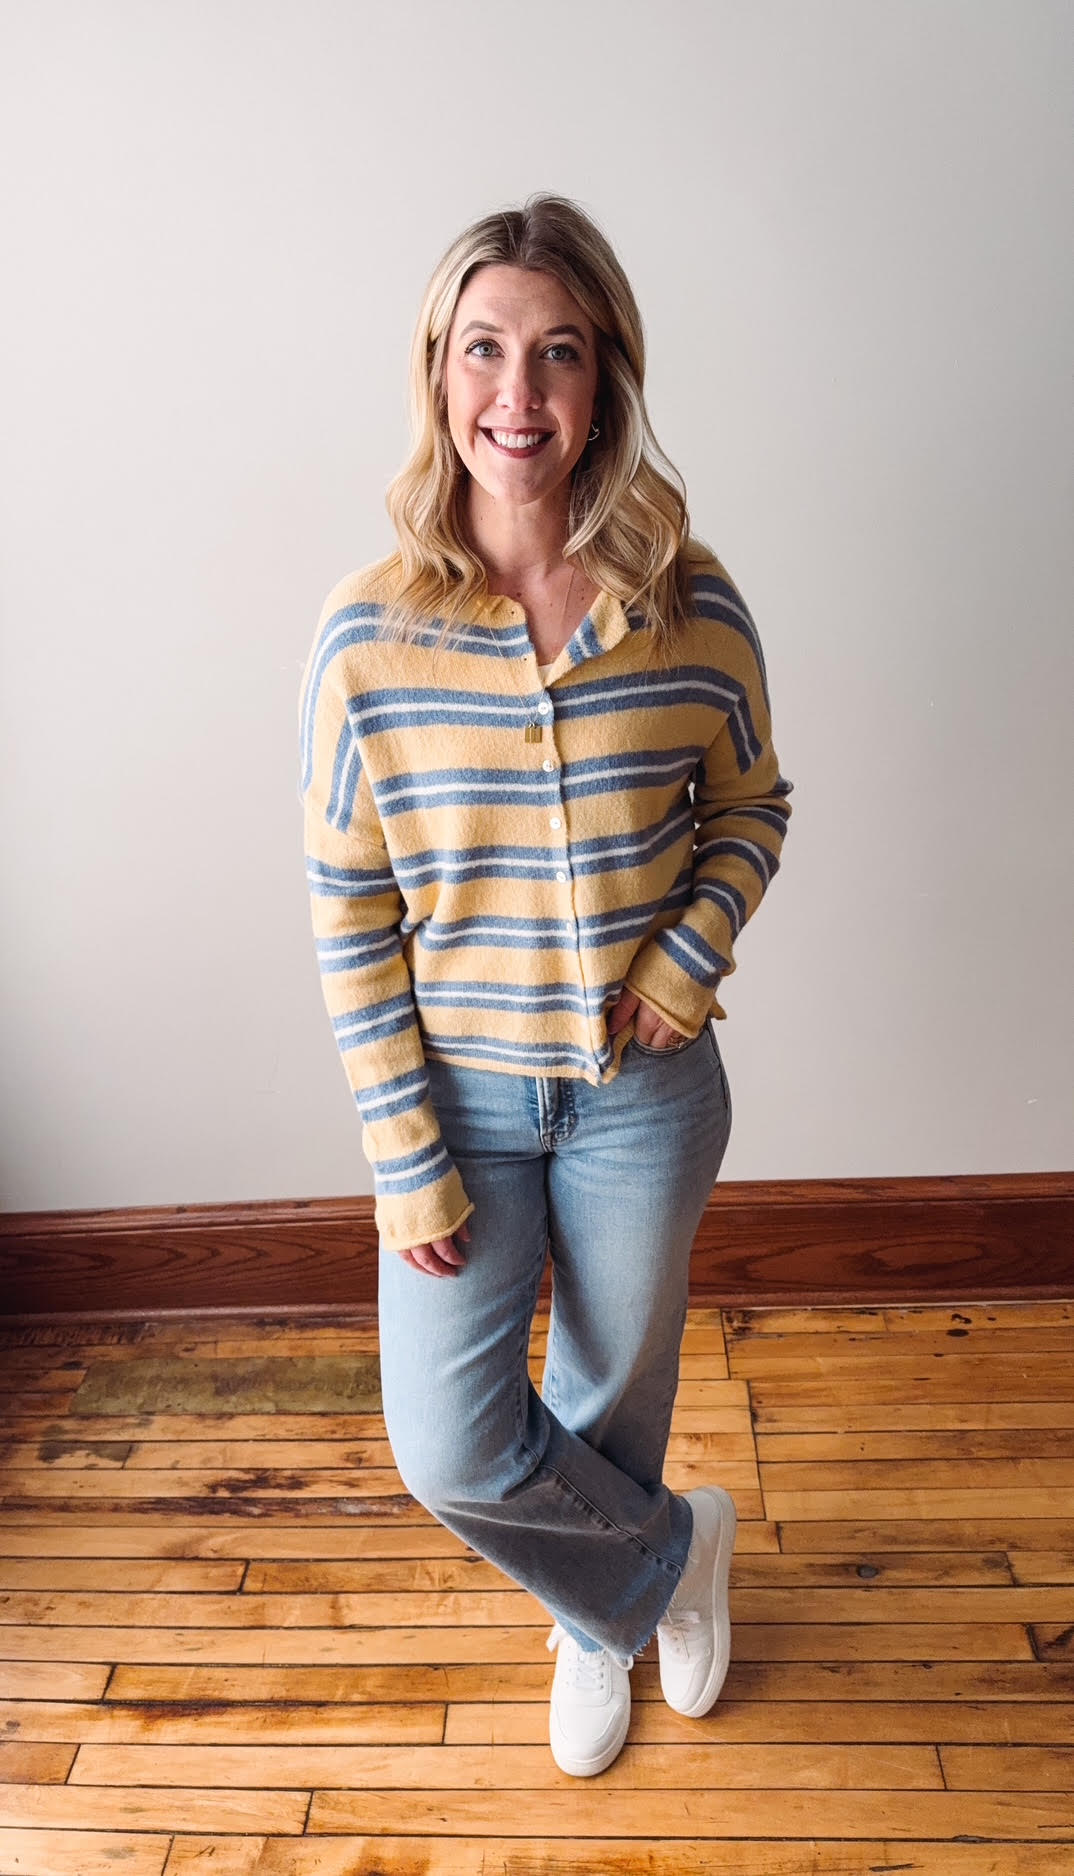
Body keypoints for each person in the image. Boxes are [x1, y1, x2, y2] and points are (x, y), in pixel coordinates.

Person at [298, 194, 792, 1778]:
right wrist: (401, 1151)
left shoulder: (687, 600)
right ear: (439, 373)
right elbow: (346, 904)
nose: (519, 392)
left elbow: (753, 807)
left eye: (557, 354)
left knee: (604, 1391)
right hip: (455, 1100)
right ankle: (665, 1563)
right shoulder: (366, 637)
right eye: (485, 348)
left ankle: (591, 1628)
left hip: (644, 1096)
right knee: (448, 1443)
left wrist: (683, 955)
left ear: (605, 382)